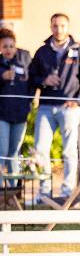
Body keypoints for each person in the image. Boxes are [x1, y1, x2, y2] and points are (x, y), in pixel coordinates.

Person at [30, 13, 80, 198]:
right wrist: (44, 80)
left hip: (70, 108)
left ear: (68, 27)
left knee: (69, 151)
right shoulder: (42, 51)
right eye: (55, 26)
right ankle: (44, 193)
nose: (58, 29)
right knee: (41, 149)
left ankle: (68, 192)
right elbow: (31, 77)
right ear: (50, 27)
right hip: (45, 107)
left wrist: (78, 101)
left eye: (62, 26)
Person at [0, 28, 32, 176]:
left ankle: (13, 190)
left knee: (14, 152)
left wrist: (30, 101)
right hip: (2, 115)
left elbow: (32, 82)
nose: (8, 50)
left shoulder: (24, 60)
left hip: (20, 114)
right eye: (4, 46)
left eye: (11, 46)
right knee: (3, 151)